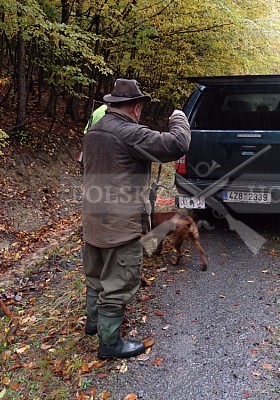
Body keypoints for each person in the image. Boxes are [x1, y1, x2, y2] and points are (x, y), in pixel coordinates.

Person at [82, 78, 191, 359]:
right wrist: (179, 119)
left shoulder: (95, 130)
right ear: (136, 107)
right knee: (119, 283)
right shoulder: (129, 133)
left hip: (93, 219)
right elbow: (178, 143)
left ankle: (93, 323)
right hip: (120, 224)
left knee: (96, 276)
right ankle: (109, 343)